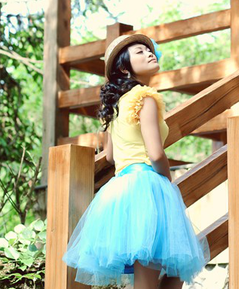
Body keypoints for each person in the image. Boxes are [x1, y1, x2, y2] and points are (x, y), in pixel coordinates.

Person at [62, 33, 211, 289]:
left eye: (149, 49)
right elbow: (156, 154)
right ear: (124, 67)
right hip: (147, 185)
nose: (149, 53)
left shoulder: (115, 105)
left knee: (156, 272)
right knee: (165, 271)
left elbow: (110, 156)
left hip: (119, 190)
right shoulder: (145, 97)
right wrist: (168, 182)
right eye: (140, 52)